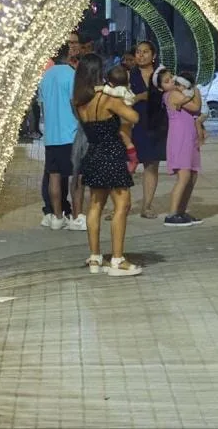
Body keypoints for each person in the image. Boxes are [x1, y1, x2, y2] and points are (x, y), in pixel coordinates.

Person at [73, 53, 143, 277]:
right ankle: (117, 259)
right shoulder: (108, 99)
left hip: (93, 153)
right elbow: (133, 117)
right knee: (122, 204)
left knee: (95, 204)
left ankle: (95, 257)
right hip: (111, 153)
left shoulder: (79, 102)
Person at [38, 43, 81, 230]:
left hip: (51, 135)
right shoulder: (71, 75)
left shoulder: (44, 77)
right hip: (70, 133)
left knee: (54, 177)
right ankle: (77, 217)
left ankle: (56, 218)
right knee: (77, 177)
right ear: (68, 53)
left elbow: (41, 105)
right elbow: (74, 102)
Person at [158, 68, 203, 227]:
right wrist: (195, 89)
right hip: (180, 138)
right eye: (167, 81)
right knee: (184, 177)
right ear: (161, 87)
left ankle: (181, 212)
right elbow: (196, 106)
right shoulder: (172, 95)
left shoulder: (181, 93)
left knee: (192, 176)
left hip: (189, 138)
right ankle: (172, 214)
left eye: (172, 78)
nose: (173, 81)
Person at [129, 41, 167, 218]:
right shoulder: (129, 74)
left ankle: (147, 206)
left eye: (145, 52)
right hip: (133, 125)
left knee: (151, 165)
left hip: (156, 126)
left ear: (154, 55)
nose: (141, 55)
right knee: (126, 166)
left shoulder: (162, 74)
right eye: (138, 52)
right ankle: (120, 206)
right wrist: (138, 97)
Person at [99, 64, 139, 172]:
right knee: (127, 140)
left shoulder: (119, 90)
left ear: (111, 83)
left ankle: (133, 160)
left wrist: (102, 87)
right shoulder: (127, 90)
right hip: (128, 120)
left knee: (125, 141)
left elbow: (110, 91)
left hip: (122, 120)